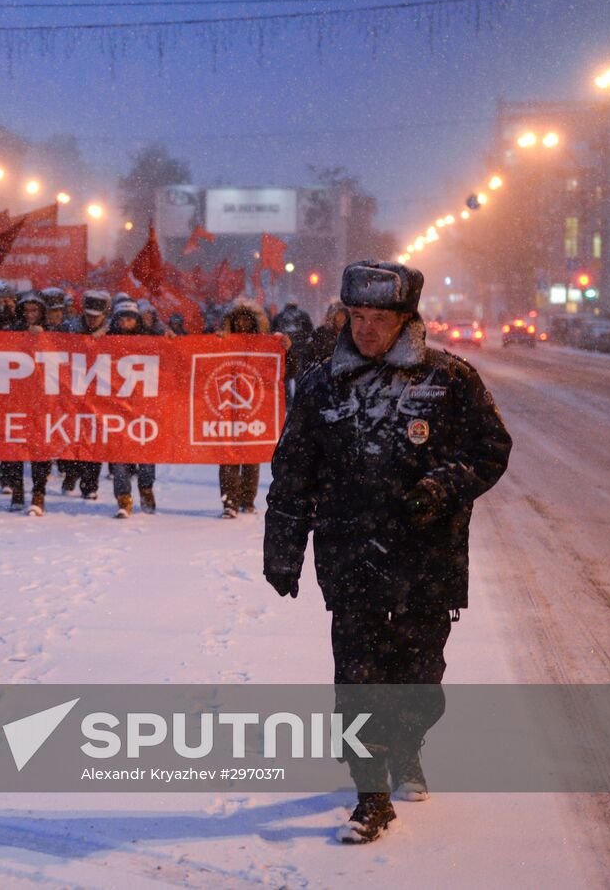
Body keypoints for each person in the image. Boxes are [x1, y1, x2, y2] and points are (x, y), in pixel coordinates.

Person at [264, 260, 511, 844]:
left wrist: (442, 488)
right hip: (350, 559)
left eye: (379, 318)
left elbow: (491, 447)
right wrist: (283, 547)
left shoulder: (450, 379)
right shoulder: (322, 384)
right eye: (357, 316)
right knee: (358, 679)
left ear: (405, 320)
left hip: (428, 560)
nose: (365, 329)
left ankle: (408, 746)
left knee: (419, 680)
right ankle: (370, 793)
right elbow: (293, 472)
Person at [216, 299, 274, 518]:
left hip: (254, 405)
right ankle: (229, 501)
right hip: (227, 408)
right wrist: (215, 342)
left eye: (245, 320)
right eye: (237, 320)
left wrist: (286, 349)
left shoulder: (265, 344)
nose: (241, 324)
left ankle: (247, 499)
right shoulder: (221, 341)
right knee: (228, 453)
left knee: (251, 452)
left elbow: (286, 370)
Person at [105, 300, 157, 517]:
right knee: (119, 455)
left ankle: (146, 489)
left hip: (144, 406)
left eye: (130, 319)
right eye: (122, 319)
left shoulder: (150, 340)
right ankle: (123, 498)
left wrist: (171, 338)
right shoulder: (106, 340)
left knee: (146, 453)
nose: (126, 323)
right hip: (116, 406)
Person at [4, 291, 54, 515]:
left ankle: (38, 493)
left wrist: (44, 338)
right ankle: (17, 490)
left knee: (40, 449)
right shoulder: (12, 331)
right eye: (26, 310)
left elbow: (64, 352)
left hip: (42, 400)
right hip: (16, 399)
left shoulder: (51, 331)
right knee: (15, 448)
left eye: (34, 310)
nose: (30, 314)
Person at [61, 289, 112, 500]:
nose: (92, 320)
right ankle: (71, 473)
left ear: (104, 315)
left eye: (96, 317)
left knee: (95, 440)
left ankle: (90, 485)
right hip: (72, 392)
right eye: (89, 315)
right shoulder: (69, 328)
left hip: (100, 394)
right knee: (72, 436)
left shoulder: (113, 331)